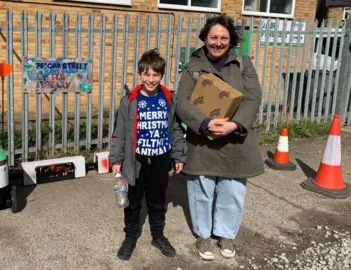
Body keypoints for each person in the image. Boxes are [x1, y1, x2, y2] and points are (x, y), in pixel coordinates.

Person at [175, 14, 265, 260]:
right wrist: (204, 123)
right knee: (201, 189)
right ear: (205, 37)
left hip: (235, 138)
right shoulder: (193, 64)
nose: (218, 42)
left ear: (231, 39)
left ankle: (225, 233)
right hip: (203, 137)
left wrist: (235, 124)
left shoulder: (243, 63)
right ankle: (203, 235)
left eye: (223, 38)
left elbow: (252, 97)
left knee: (232, 189)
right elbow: (181, 101)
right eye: (213, 37)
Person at [109, 48, 187, 261]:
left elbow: (175, 129)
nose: (151, 79)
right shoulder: (130, 100)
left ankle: (158, 235)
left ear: (161, 76)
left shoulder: (169, 99)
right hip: (135, 160)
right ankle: (130, 236)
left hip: (161, 159)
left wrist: (179, 155)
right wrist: (116, 160)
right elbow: (120, 133)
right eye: (146, 74)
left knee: (157, 200)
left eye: (155, 75)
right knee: (132, 201)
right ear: (140, 74)